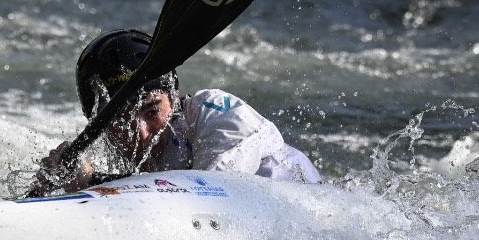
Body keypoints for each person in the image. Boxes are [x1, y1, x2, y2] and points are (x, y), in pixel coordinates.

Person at [34, 28, 321, 194]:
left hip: (315, 222)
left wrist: (91, 183)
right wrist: (53, 187)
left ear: (172, 96)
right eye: (120, 120)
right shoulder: (140, 150)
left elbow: (210, 198)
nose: (141, 134)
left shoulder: (219, 115)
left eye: (151, 111)